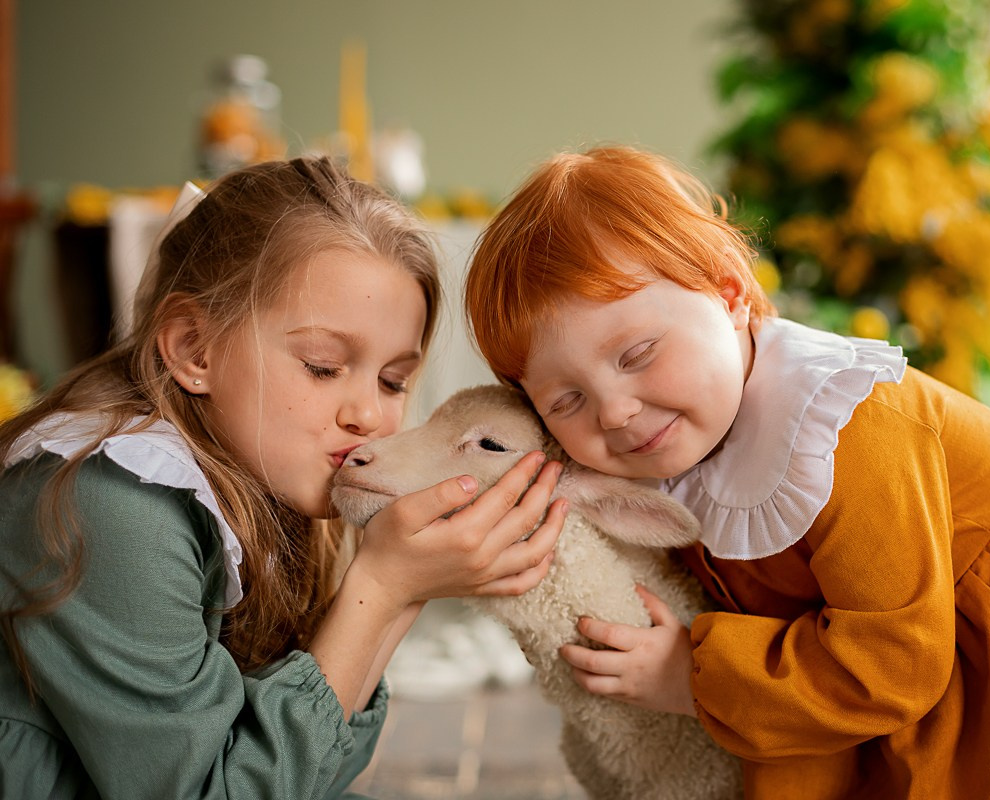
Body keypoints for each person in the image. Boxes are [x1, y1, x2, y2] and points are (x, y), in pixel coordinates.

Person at [463, 145, 990, 799]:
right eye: (565, 400)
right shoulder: (668, 441)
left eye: (638, 354)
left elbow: (896, 662)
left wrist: (694, 675)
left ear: (729, 294)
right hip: (876, 642)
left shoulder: (847, 431)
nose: (616, 412)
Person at [0, 156, 566, 799]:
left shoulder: (267, 479)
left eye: (393, 381)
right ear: (193, 349)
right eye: (323, 366)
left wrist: (405, 586)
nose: (369, 416)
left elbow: (313, 776)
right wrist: (382, 588)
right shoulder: (111, 504)